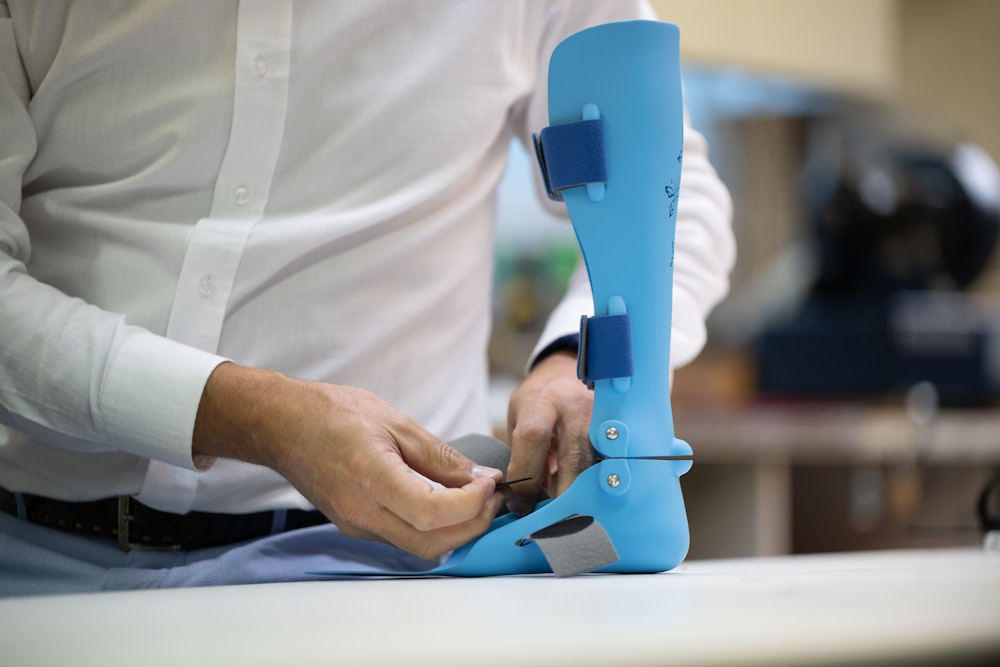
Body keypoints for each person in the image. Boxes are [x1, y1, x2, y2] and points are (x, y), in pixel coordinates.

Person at [0, 0, 734, 595]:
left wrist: (578, 363)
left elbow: (680, 196)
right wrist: (259, 418)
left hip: (373, 571)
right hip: (29, 562)